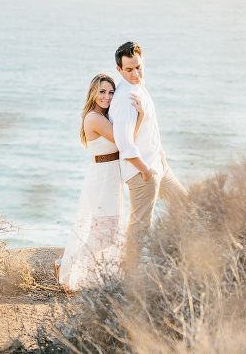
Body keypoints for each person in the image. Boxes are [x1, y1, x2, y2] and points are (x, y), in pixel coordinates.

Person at [57, 73, 145, 290]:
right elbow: (125, 141)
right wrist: (141, 116)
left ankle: (68, 267)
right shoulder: (94, 118)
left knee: (106, 230)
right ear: (93, 93)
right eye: (102, 92)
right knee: (106, 233)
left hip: (110, 176)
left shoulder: (106, 117)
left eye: (111, 92)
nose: (107, 97)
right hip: (102, 178)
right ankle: (66, 267)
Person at [108, 41, 189, 269]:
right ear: (119, 70)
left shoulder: (139, 87)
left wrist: (161, 159)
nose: (136, 73)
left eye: (139, 67)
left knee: (187, 206)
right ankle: (129, 280)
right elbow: (124, 142)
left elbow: (148, 131)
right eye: (129, 69)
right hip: (143, 171)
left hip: (158, 165)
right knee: (140, 227)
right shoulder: (125, 98)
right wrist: (145, 170)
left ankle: (180, 260)